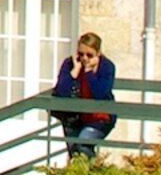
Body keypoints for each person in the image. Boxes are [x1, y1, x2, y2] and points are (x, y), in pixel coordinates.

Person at [48, 33, 117, 162]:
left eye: (89, 55)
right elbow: (61, 91)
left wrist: (89, 72)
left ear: (98, 53)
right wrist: (74, 72)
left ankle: (93, 174)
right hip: (74, 117)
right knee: (75, 153)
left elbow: (101, 93)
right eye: (81, 54)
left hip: (99, 118)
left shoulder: (106, 67)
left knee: (83, 144)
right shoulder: (70, 64)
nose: (84, 58)